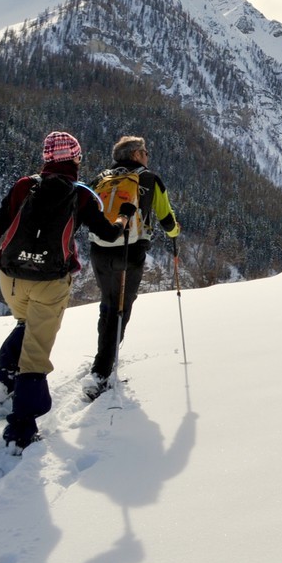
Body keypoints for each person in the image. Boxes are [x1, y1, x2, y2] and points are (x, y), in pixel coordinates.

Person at [0, 130, 125, 453]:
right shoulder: (80, 194)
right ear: (76, 159)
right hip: (51, 282)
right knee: (36, 352)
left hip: (11, 279)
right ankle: (21, 431)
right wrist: (124, 218)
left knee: (26, 325)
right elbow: (109, 234)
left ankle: (3, 383)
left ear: (46, 158)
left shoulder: (24, 186)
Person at [83, 134, 180, 401]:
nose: (147, 156)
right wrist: (175, 233)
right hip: (130, 250)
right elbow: (166, 218)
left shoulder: (100, 179)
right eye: (145, 152)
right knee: (122, 307)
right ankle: (101, 372)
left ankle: (104, 357)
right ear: (136, 154)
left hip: (99, 250)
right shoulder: (149, 179)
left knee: (108, 302)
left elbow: (84, 210)